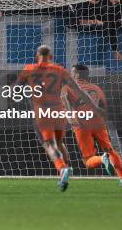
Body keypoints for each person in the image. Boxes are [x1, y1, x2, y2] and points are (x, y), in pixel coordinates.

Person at [15, 45, 98, 192]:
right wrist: (93, 106)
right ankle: (65, 172)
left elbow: (15, 88)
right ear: (51, 57)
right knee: (59, 142)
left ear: (37, 56)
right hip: (59, 112)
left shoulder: (29, 68)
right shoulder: (59, 70)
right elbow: (79, 90)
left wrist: (26, 91)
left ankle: (62, 169)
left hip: (42, 112)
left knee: (49, 144)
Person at [63, 64, 122, 188]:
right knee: (111, 150)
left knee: (88, 161)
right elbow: (104, 107)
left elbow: (63, 99)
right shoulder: (96, 88)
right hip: (98, 122)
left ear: (76, 75)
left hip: (81, 124)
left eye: (72, 72)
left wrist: (69, 116)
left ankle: (102, 159)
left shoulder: (68, 87)